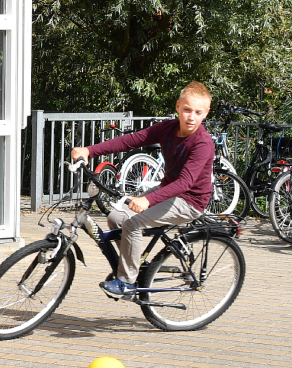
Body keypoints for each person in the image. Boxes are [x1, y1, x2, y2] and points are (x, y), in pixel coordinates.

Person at [70, 81, 215, 297]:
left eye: (197, 112)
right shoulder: (168, 128)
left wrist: (148, 200)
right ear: (178, 107)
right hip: (169, 190)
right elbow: (132, 140)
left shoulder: (202, 144)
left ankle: (127, 282)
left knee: (134, 223)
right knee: (117, 217)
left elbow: (185, 182)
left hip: (190, 201)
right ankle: (132, 266)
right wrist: (90, 150)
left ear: (206, 113)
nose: (191, 116)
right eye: (187, 110)